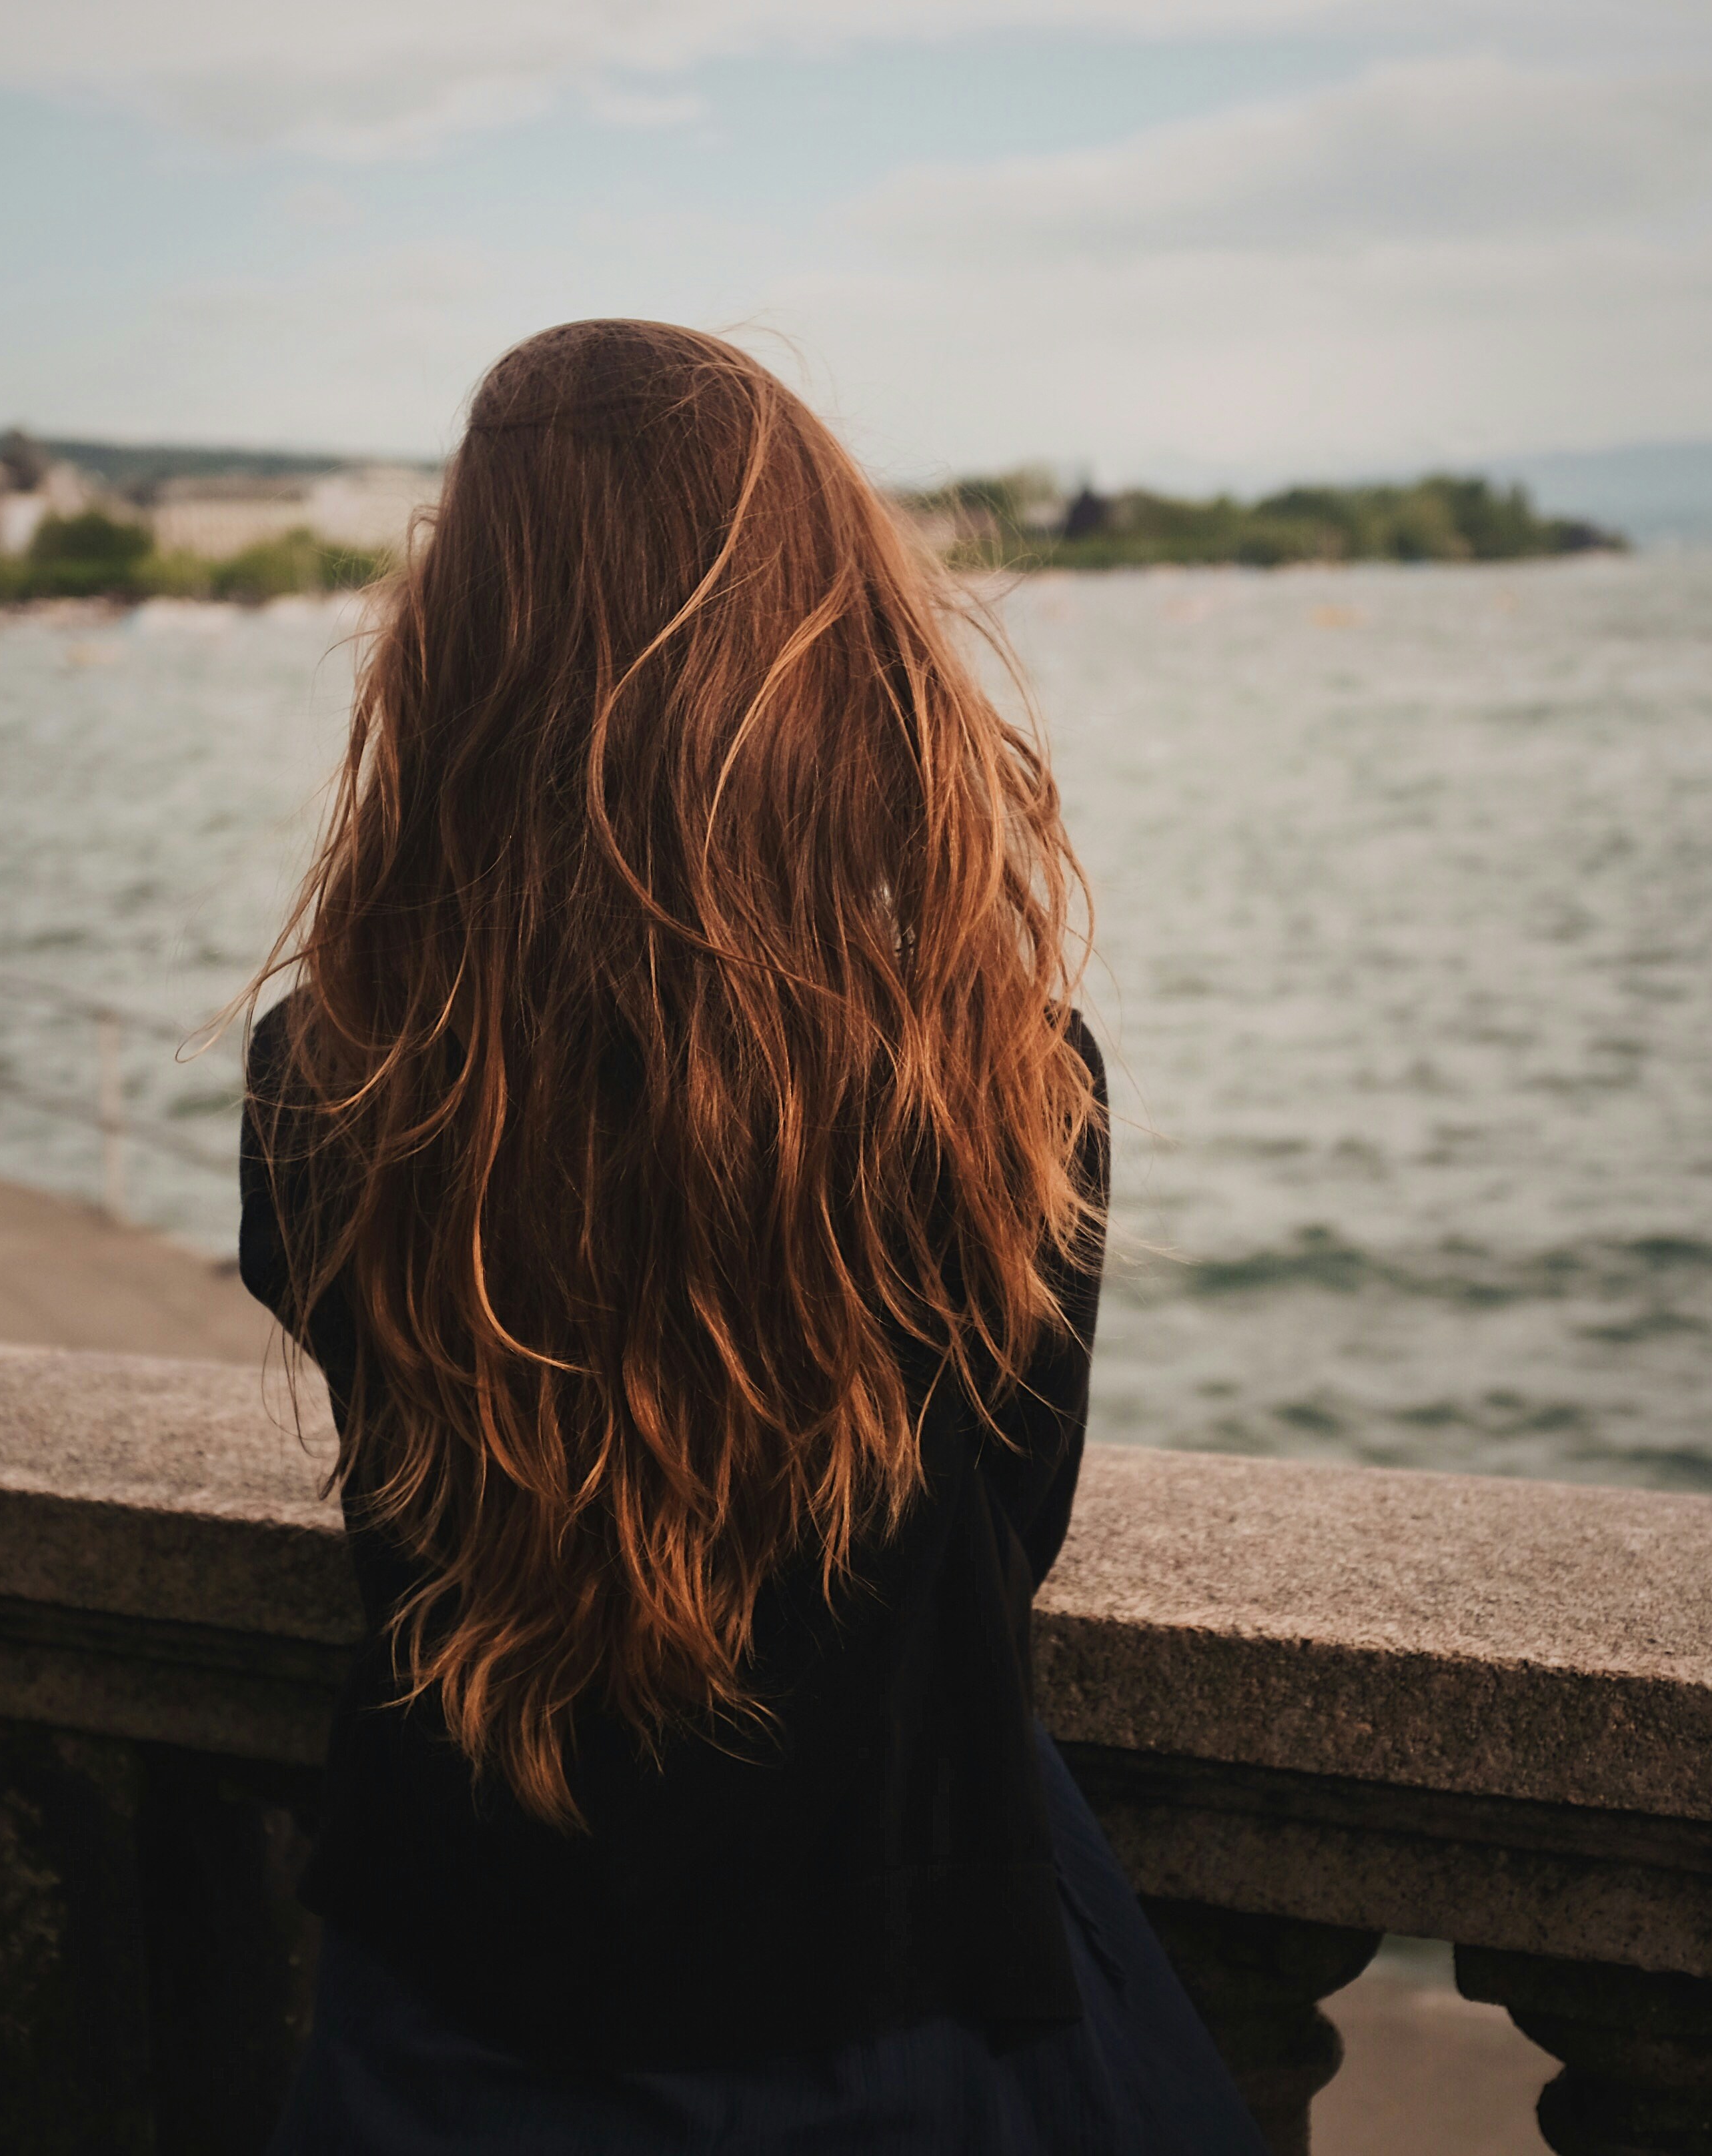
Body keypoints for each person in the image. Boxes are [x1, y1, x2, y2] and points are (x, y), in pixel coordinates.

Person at [237, 321, 1263, 2153]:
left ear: (459, 643)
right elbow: (1001, 1532)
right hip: (895, 2009)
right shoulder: (1002, 1082)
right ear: (828, 630)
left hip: (453, 2014)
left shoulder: (327, 1081)